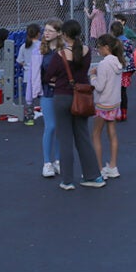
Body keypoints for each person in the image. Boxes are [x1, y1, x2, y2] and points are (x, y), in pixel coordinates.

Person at [45, 20, 105, 190]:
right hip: (82, 97)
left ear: (64, 35)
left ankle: (67, 180)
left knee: (65, 139)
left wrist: (57, 80)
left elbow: (48, 75)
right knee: (83, 137)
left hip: (63, 96)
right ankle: (93, 175)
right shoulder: (86, 51)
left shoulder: (60, 55)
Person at [89, 34, 123, 179]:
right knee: (112, 134)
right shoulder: (118, 62)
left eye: (99, 48)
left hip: (103, 104)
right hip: (114, 103)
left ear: (106, 48)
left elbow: (100, 86)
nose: (98, 51)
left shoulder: (103, 64)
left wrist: (92, 77)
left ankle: (99, 168)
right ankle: (113, 166)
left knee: (96, 134)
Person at [37, 20, 62, 177]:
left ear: (58, 33)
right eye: (45, 30)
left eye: (50, 31)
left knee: (60, 127)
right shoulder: (40, 51)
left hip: (61, 92)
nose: (46, 33)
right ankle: (47, 163)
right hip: (46, 92)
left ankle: (58, 161)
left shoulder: (64, 50)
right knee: (50, 126)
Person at [16, 24, 41, 126]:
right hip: (39, 75)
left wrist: (26, 64)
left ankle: (29, 118)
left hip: (27, 75)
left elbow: (19, 61)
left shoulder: (23, 46)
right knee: (42, 96)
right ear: (38, 34)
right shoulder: (41, 45)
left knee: (29, 98)